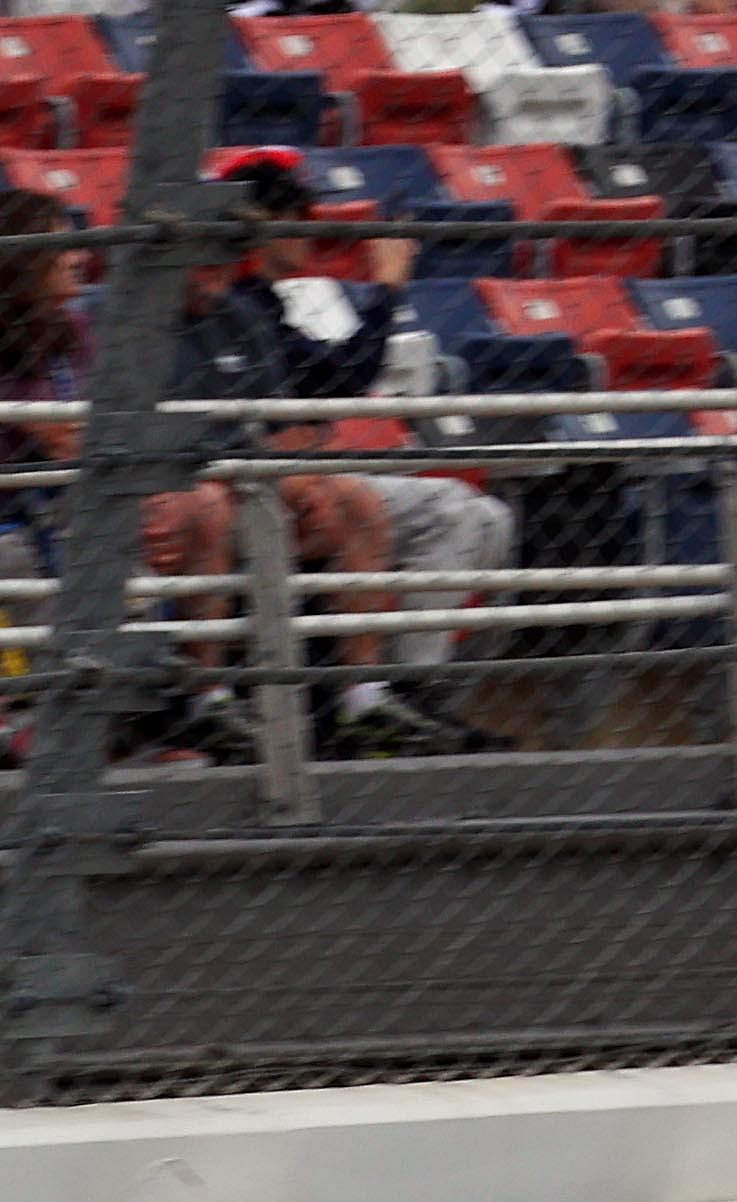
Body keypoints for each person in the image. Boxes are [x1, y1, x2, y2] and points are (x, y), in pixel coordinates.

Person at [147, 151, 490, 758]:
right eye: (297, 218)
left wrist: (290, 463)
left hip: (261, 475)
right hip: (195, 487)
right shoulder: (153, 322)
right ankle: (207, 701)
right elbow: (337, 386)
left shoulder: (244, 313)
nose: (220, 268)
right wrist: (387, 290)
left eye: (226, 254)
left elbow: (298, 416)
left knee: (385, 502)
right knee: (220, 502)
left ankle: (372, 698)